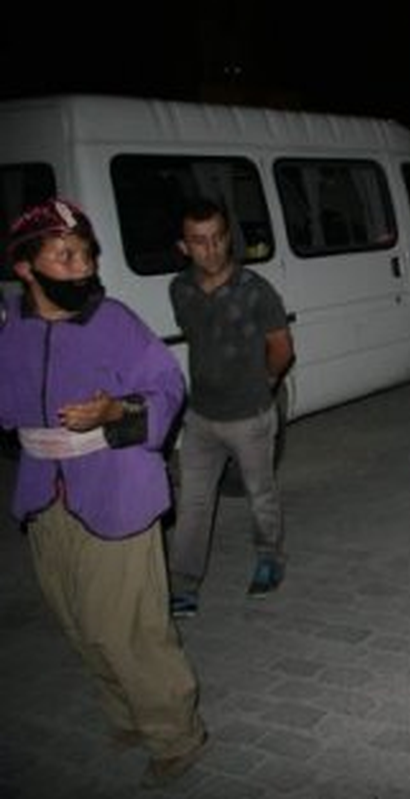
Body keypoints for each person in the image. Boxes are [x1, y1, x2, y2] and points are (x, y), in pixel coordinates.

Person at [0, 198, 207, 788]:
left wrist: (117, 410)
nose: (81, 267)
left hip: (117, 492)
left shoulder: (112, 321)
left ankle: (176, 735)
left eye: (85, 255)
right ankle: (129, 716)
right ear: (24, 266)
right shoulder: (12, 330)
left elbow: (168, 386)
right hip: (46, 498)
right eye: (63, 256)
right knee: (78, 622)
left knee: (129, 626)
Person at [167, 197, 294, 617]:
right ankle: (184, 583)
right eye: (199, 241)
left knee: (260, 494)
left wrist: (267, 382)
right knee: (193, 503)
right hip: (201, 417)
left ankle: (269, 558)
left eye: (219, 238)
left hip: (250, 415)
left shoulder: (255, 290)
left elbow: (281, 348)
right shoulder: (180, 289)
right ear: (184, 247)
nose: (212, 248)